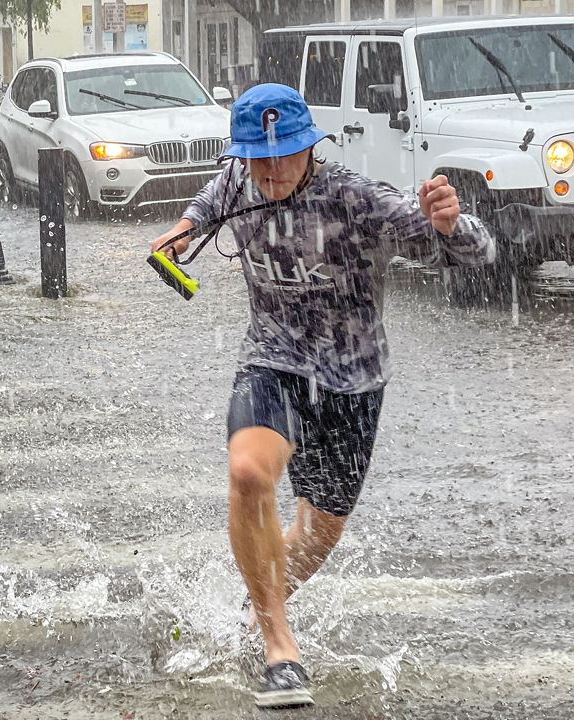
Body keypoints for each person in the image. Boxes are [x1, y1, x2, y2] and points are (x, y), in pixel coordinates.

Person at [150, 84, 495, 708]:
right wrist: (185, 229)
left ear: (311, 146)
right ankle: (279, 648)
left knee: (317, 532)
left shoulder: (356, 199)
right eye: (258, 158)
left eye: (284, 154)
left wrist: (452, 222)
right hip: (273, 361)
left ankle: (251, 608)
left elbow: (475, 251)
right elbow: (213, 195)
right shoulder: (240, 180)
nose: (271, 171)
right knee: (248, 475)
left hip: (352, 380)